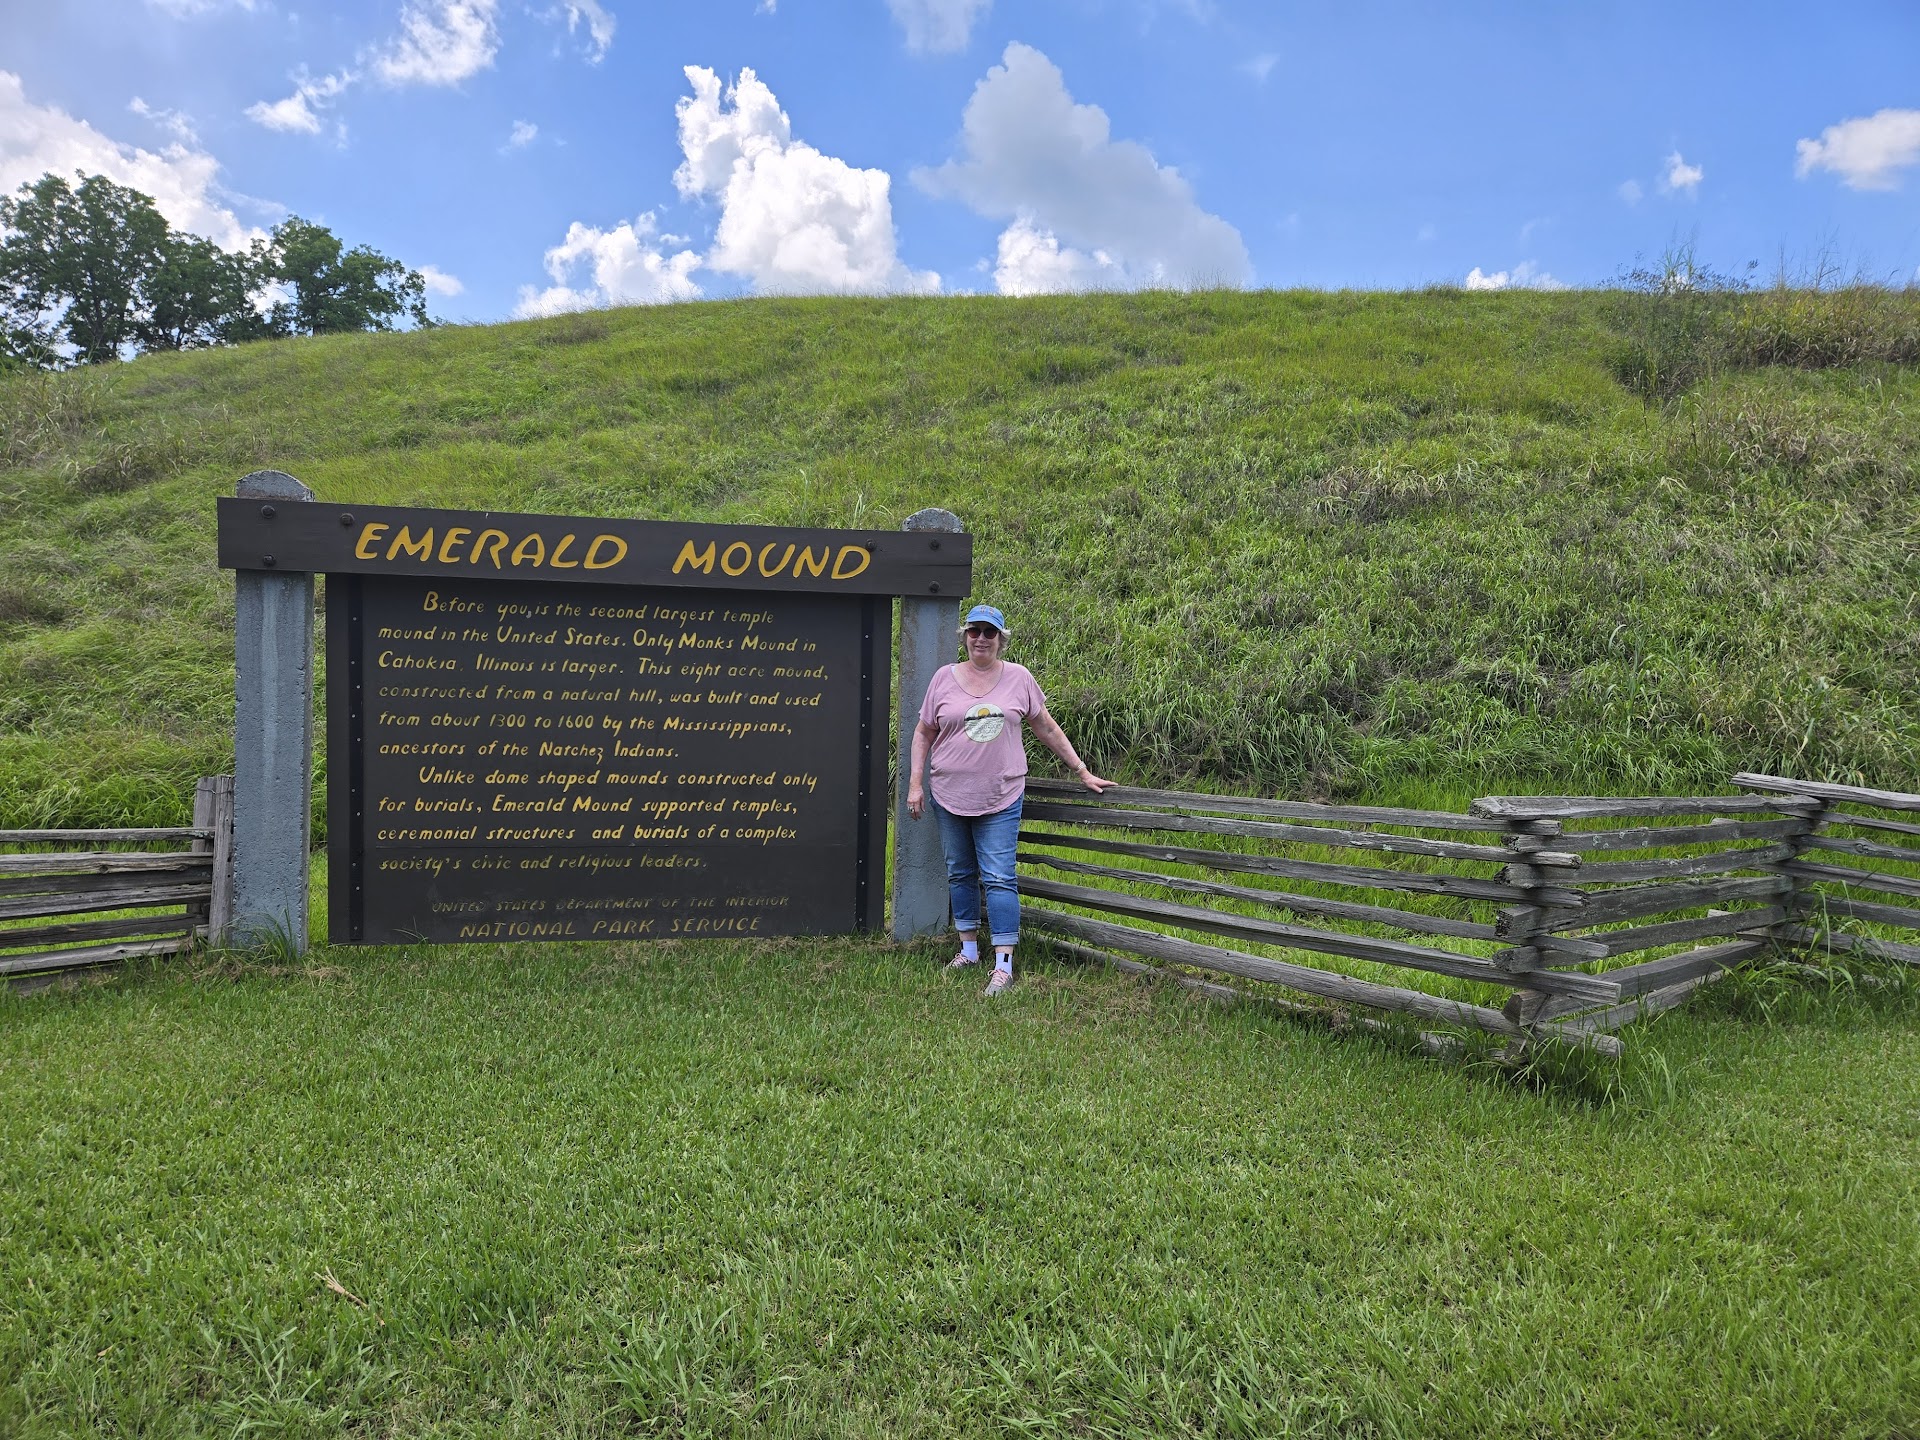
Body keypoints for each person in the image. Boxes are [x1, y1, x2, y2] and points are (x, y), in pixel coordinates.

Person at [906, 603, 1113, 996]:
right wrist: (916, 784)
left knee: (999, 877)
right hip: (948, 795)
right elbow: (923, 734)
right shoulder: (942, 679)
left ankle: (1003, 964)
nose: (981, 638)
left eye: (989, 632)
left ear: (1001, 639)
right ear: (965, 637)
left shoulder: (1018, 678)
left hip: (1001, 796)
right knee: (959, 872)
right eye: (974, 631)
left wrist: (1081, 770)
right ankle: (968, 950)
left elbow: (1046, 727)